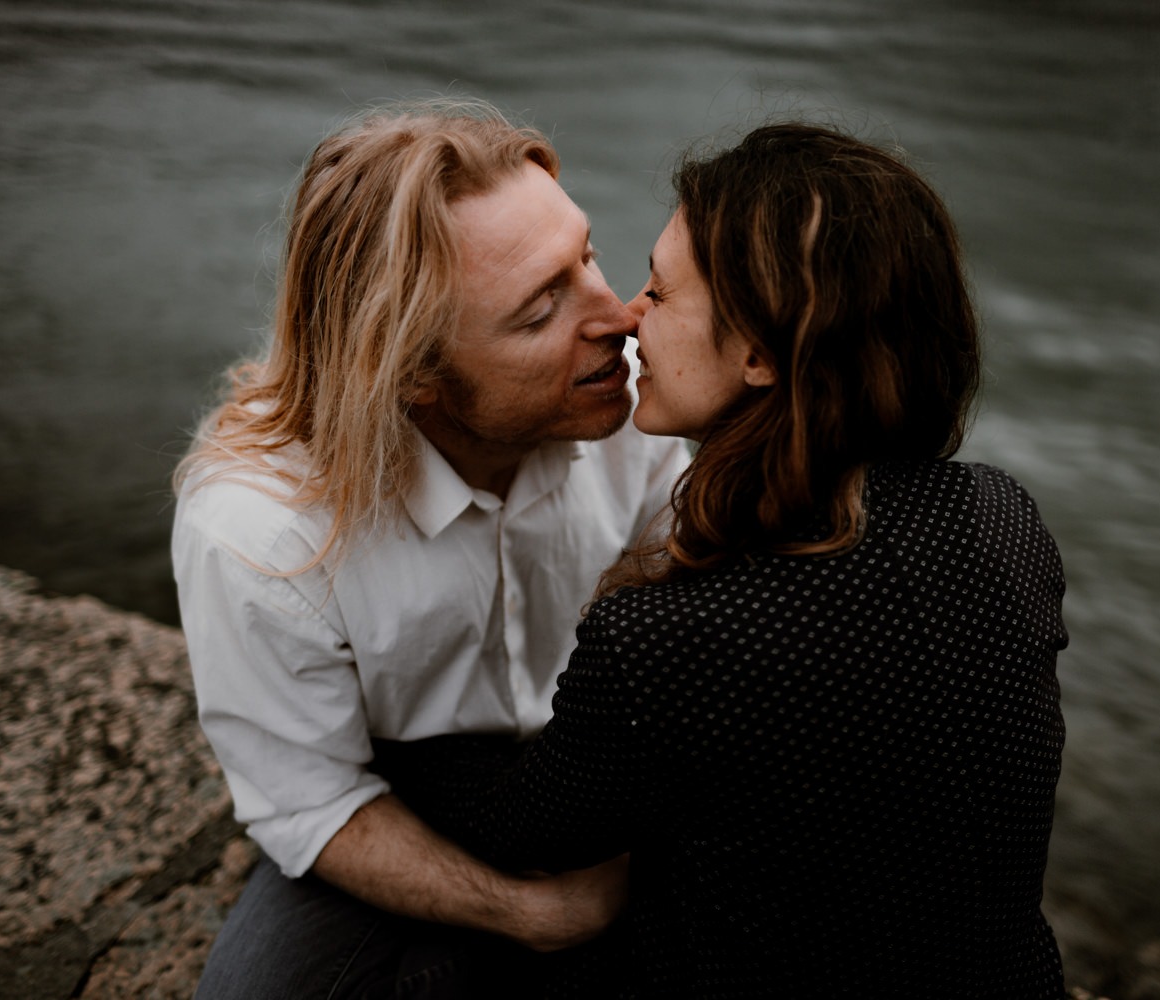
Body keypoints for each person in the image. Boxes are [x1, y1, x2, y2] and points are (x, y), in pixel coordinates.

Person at [386, 122, 1071, 998]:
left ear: (756, 353)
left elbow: (523, 829)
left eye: (662, 293)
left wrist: (382, 740)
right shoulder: (1000, 519)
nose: (629, 315)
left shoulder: (674, 640)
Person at [170, 99, 691, 998]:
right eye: (540, 311)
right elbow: (310, 798)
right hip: (403, 793)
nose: (621, 318)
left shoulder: (643, 398)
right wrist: (528, 914)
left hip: (604, 768)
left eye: (589, 255)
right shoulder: (261, 532)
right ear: (410, 374)